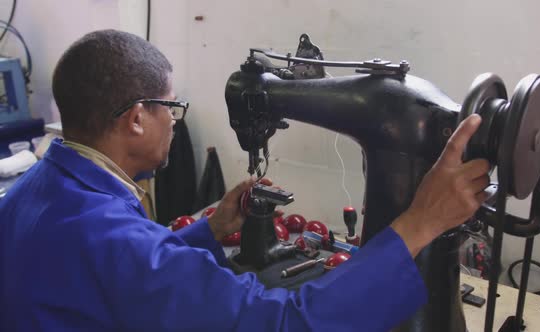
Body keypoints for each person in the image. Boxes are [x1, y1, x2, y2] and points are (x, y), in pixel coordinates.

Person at [0, 30, 490, 331]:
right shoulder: (113, 240)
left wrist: (208, 230)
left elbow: (113, 278)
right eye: (172, 108)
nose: (176, 121)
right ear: (134, 119)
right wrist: (423, 221)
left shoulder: (34, 190)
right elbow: (286, 323)